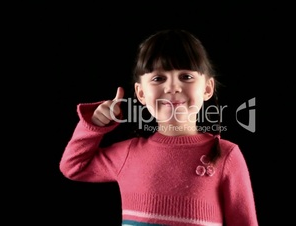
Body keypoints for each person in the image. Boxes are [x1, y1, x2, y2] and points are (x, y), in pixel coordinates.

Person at [60, 29, 258, 226]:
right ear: (141, 93)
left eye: (186, 77)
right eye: (158, 78)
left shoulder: (227, 155)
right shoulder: (128, 153)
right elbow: (74, 166)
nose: (173, 87)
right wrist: (94, 125)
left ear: (207, 88)